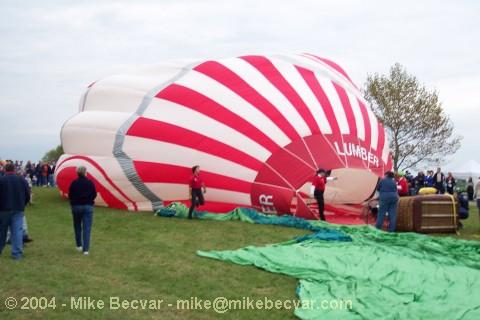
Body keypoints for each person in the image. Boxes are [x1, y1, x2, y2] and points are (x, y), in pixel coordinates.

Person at [0, 162, 31, 260]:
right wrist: (23, 204)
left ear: (5, 169)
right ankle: (17, 253)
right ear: (14, 169)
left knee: (2, 231)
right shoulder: (21, 180)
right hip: (18, 208)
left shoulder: (2, 180)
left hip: (3, 209)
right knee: (17, 231)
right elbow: (27, 194)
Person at [68, 166, 97, 255]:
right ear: (85, 173)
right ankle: (86, 250)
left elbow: (70, 195)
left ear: (77, 173)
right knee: (87, 228)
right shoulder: (90, 183)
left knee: (77, 226)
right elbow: (94, 194)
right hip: (88, 206)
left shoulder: (74, 183)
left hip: (76, 206)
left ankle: (79, 245)